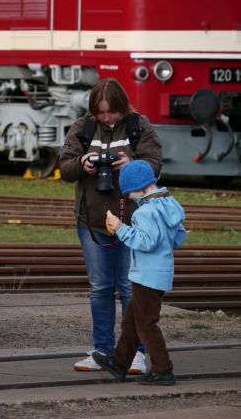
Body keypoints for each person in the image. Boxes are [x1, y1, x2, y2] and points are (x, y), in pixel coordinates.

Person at [59, 78, 162, 374]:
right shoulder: (83, 127)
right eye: (101, 113)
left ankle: (136, 353)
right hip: (92, 223)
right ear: (93, 110)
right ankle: (102, 351)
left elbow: (155, 164)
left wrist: (131, 164)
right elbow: (64, 167)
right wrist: (83, 163)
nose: (106, 118)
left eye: (111, 112)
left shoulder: (138, 125)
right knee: (100, 288)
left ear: (122, 106)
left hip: (134, 221)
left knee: (131, 289)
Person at [93, 159, 186, 385]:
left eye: (131, 193)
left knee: (146, 323)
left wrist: (121, 228)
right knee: (133, 320)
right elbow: (178, 237)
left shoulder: (144, 212)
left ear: (140, 187)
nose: (130, 197)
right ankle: (119, 361)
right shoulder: (169, 204)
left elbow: (145, 242)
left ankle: (163, 370)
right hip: (161, 272)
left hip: (146, 275)